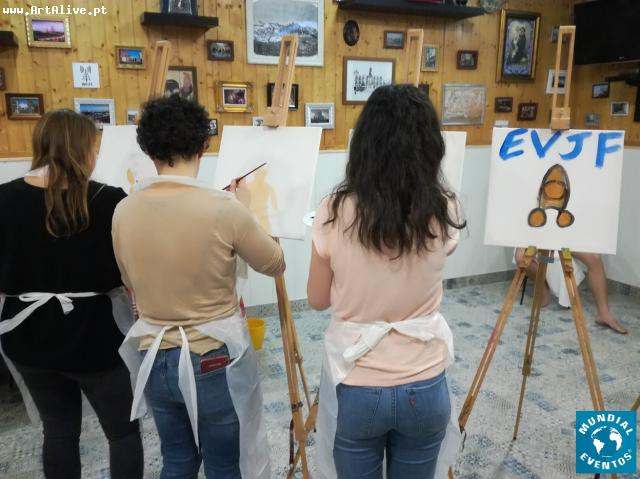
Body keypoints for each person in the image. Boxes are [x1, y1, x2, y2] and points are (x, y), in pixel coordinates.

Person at [112, 94, 285, 479]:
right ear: (204, 144)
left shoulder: (123, 210)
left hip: (154, 355)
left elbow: (128, 285)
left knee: (177, 461)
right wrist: (249, 209)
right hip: (210, 357)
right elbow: (275, 263)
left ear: (147, 149)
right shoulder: (224, 207)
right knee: (224, 465)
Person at [308, 84, 466, 479]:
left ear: (364, 144)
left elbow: (317, 299)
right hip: (425, 382)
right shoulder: (443, 207)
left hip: (357, 381)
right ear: (431, 146)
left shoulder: (334, 209)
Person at [0, 109, 143, 479]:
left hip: (28, 337)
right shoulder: (109, 200)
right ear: (84, 150)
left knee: (59, 431)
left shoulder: (4, 198)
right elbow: (129, 271)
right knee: (123, 432)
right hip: (95, 339)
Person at [514, 248, 627, 334]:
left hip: (566, 234)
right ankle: (543, 287)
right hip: (538, 233)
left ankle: (604, 313)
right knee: (521, 256)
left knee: (594, 257)